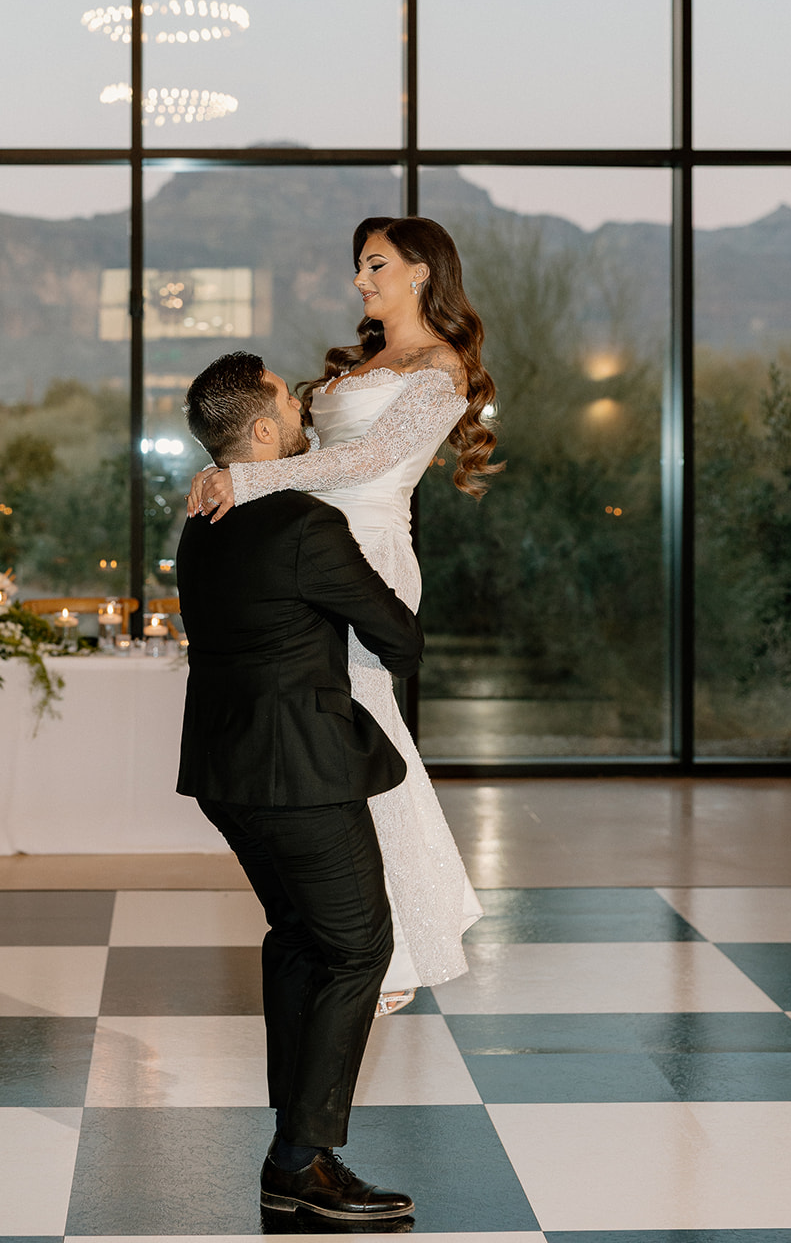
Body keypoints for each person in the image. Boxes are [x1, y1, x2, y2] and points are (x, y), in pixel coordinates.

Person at [188, 215, 501, 1013]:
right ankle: (361, 921)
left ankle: (396, 946)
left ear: (422, 272)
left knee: (365, 737)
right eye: (358, 267)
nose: (360, 281)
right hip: (306, 545)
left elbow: (368, 460)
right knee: (341, 737)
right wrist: (226, 472)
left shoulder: (441, 369)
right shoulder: (367, 361)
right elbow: (279, 443)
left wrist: (249, 486)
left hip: (366, 551)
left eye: (374, 265)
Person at [177, 350, 419, 1222]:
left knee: (297, 938)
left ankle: (293, 1145)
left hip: (223, 769)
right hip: (301, 773)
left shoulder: (200, 521)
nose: (304, 403)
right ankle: (299, 1161)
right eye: (290, 396)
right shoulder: (304, 525)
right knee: (358, 949)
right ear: (267, 429)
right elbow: (395, 630)